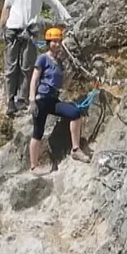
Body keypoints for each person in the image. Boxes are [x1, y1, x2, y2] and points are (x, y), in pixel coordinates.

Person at [0, 0, 72, 117]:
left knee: (27, 66)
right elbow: (7, 6)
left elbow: (54, 2)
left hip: (30, 30)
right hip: (13, 29)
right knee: (11, 67)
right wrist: (1, 26)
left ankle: (22, 99)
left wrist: (67, 18)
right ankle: (10, 100)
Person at [27, 26, 92, 173]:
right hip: (41, 100)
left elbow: (62, 84)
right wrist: (32, 99)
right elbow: (34, 79)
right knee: (38, 132)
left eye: (58, 41)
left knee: (75, 113)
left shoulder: (59, 63)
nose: (56, 44)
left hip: (53, 100)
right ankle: (34, 166)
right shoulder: (43, 58)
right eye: (53, 41)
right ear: (48, 42)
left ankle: (76, 149)